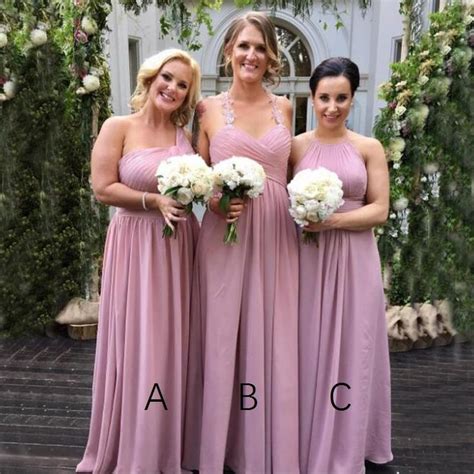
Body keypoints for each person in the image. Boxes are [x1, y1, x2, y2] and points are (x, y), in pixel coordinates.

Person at [183, 12, 299, 474]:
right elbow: (196, 175)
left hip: (274, 232)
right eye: (243, 46)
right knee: (221, 331)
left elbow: (290, 176)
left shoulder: (285, 108)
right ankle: (215, 448)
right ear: (229, 52)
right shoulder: (207, 110)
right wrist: (213, 204)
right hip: (225, 232)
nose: (251, 55)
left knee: (269, 332)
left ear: (271, 57)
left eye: (260, 47)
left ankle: (262, 446)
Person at [76, 49, 201, 473]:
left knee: (172, 340)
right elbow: (103, 188)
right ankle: (135, 445)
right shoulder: (119, 127)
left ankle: (169, 442)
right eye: (167, 78)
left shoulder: (184, 137)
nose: (172, 88)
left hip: (179, 247)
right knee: (138, 340)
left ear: (188, 96)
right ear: (150, 79)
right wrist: (153, 200)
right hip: (135, 245)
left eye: (182, 85)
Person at [290, 57, 393, 474]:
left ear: (353, 98)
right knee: (306, 344)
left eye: (342, 98)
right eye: (324, 98)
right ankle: (302, 440)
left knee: (356, 345)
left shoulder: (369, 148)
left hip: (354, 258)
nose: (332, 107)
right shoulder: (296, 146)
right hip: (308, 260)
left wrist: (331, 221)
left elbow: (380, 210)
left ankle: (350, 444)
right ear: (312, 98)